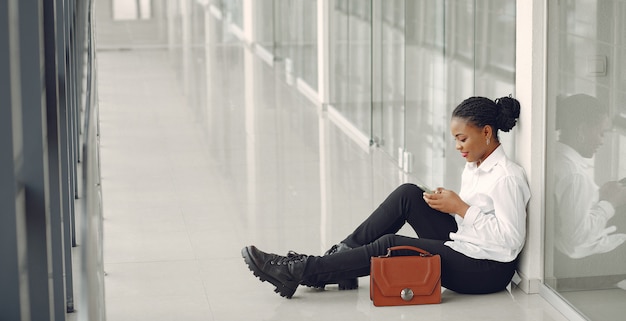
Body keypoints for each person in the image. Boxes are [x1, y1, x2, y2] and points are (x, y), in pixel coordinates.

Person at [241, 95, 531, 299]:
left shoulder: (507, 177)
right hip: (467, 243)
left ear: (487, 132)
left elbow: (510, 242)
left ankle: (302, 271)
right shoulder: (474, 167)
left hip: (487, 270)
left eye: (462, 139)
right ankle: (341, 259)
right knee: (409, 194)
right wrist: (451, 207)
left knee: (390, 245)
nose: (457, 146)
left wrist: (461, 208)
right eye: (455, 138)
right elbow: (473, 221)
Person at [553, 94, 626, 259]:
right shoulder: (575, 175)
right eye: (601, 133)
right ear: (581, 130)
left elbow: (568, 206)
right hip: (576, 262)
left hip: (560, 248)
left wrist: (599, 195)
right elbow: (576, 237)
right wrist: (610, 203)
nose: (602, 142)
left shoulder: (553, 155)